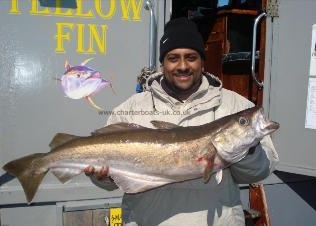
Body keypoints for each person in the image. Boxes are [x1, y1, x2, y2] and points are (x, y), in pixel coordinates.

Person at [84, 17, 279, 226]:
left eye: (191, 57)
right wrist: (102, 177)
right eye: (173, 58)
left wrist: (248, 147)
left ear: (202, 60)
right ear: (163, 63)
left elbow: (259, 172)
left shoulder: (236, 106)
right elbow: (113, 184)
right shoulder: (130, 110)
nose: (183, 66)